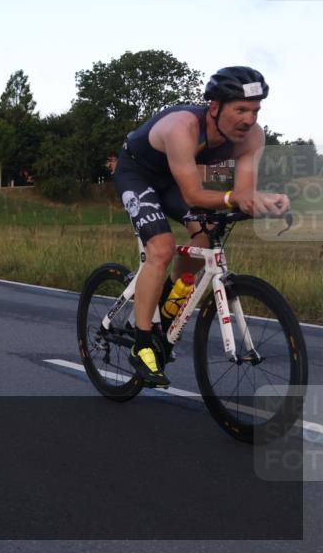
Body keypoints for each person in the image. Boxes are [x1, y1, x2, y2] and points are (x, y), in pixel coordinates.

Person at [113, 66, 289, 387]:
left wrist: (262, 201)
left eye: (255, 110)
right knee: (162, 248)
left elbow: (243, 193)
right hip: (139, 174)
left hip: (175, 179)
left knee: (206, 235)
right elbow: (195, 194)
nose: (249, 119)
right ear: (215, 107)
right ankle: (141, 345)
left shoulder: (253, 136)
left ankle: (168, 305)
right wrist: (236, 198)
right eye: (240, 110)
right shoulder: (183, 127)